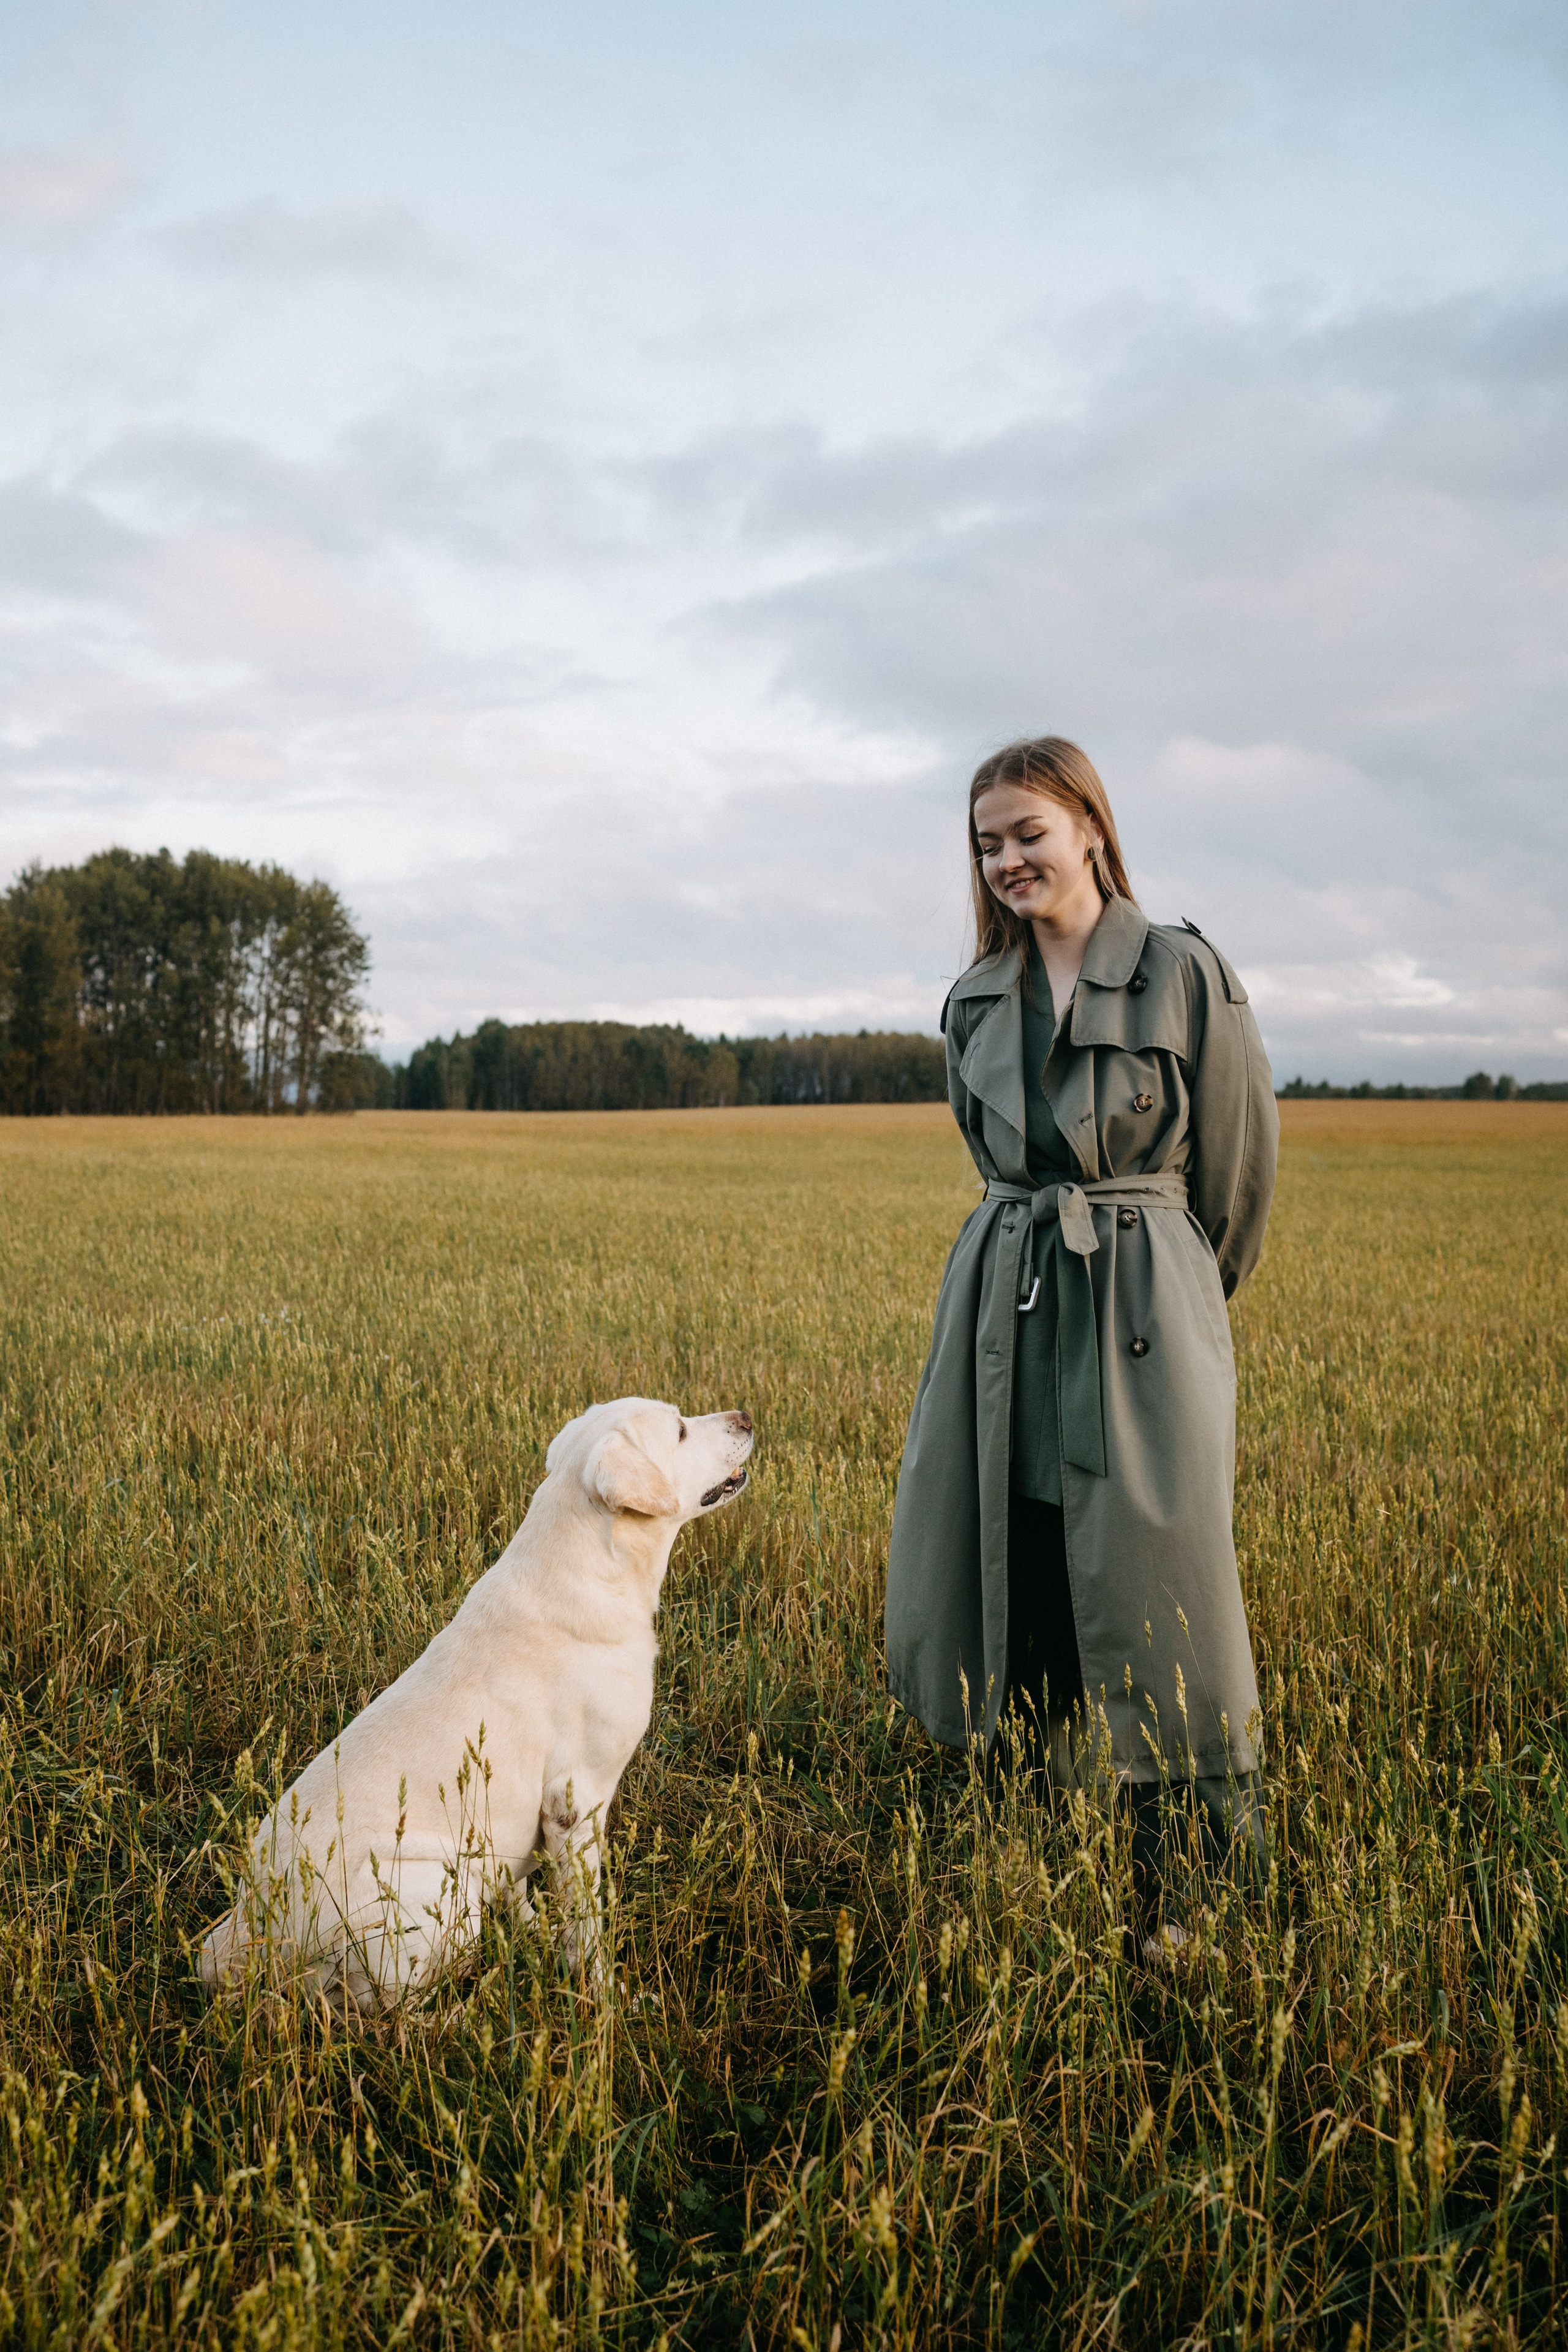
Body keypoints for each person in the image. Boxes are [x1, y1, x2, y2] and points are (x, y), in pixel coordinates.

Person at [883, 737, 1278, 1945]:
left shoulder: (1180, 972)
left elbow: (1235, 1178)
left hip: (1144, 1315)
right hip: (1002, 1310)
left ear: (1091, 830)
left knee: (1166, 1591)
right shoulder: (972, 1000)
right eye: (985, 841)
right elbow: (990, 1160)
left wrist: (1168, 1308)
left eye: (1026, 833)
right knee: (1021, 1555)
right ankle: (1052, 1840)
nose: (1005, 859)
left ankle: (1198, 1895)